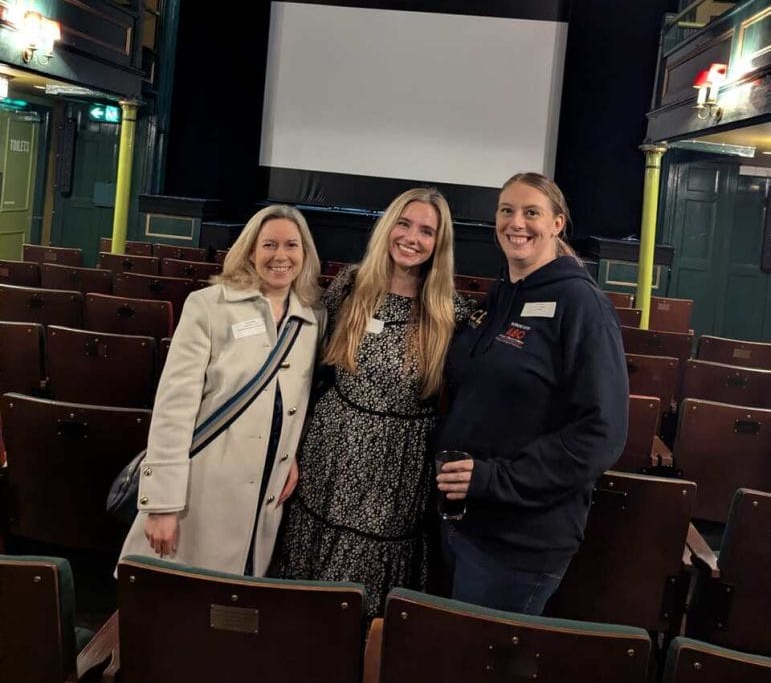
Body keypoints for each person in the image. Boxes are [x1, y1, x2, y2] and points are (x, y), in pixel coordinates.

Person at [435, 172, 628, 615]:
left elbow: (601, 433)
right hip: (465, 521)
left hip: (519, 541)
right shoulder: (500, 295)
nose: (515, 222)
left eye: (531, 212)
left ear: (558, 224)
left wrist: (495, 480)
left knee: (478, 671)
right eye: (506, 210)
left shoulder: (583, 306)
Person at [272, 187, 470, 619]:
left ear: (440, 244)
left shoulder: (449, 311)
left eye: (426, 231)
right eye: (404, 223)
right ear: (388, 227)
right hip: (331, 448)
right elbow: (309, 371)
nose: (412, 238)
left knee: (364, 588)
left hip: (397, 465)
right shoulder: (352, 284)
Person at [118, 204, 325, 577]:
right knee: (177, 602)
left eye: (292, 245)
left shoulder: (312, 317)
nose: (281, 256)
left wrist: (289, 451)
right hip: (201, 486)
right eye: (269, 245)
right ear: (250, 251)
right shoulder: (209, 306)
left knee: (232, 606)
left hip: (265, 484)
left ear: (305, 254)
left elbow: (297, 401)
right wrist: (161, 503)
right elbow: (173, 406)